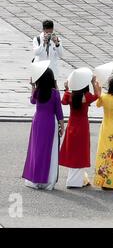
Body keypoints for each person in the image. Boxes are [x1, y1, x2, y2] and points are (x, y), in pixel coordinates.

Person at [22, 61, 64, 190]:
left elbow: (32, 100)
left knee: (36, 150)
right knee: (48, 151)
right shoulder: (55, 93)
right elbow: (59, 112)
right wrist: (62, 127)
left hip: (37, 122)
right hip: (50, 123)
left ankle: (35, 178)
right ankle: (46, 180)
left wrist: (33, 86)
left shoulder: (38, 91)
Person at [59, 71, 101, 188]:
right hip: (82, 125)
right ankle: (78, 180)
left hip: (72, 124)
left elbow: (63, 101)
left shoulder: (70, 96)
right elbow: (98, 95)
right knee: (81, 151)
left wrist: (66, 88)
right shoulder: (86, 96)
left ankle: (78, 179)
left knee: (72, 151)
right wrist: (93, 82)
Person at [32, 20, 64, 87]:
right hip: (40, 69)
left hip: (52, 70)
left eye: (50, 32)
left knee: (53, 90)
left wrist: (57, 44)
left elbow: (61, 54)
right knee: (39, 89)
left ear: (52, 29)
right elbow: (36, 52)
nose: (48, 34)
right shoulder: (37, 39)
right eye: (46, 32)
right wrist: (43, 44)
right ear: (43, 30)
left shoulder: (57, 39)